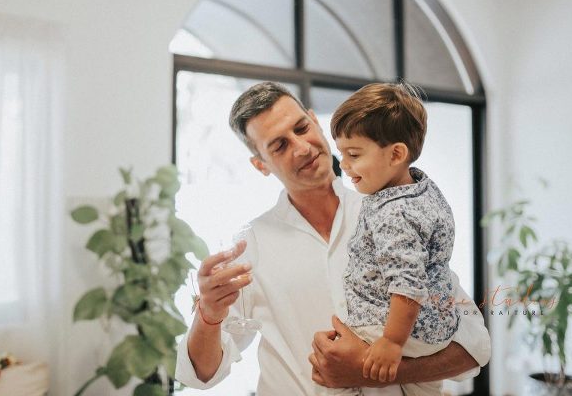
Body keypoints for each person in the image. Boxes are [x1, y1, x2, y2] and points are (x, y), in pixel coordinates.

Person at [175, 82, 490, 395]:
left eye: (301, 128)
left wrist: (370, 372)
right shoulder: (250, 247)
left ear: (315, 120)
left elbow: (474, 347)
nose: (301, 147)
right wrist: (209, 314)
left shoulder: (397, 220)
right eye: (279, 146)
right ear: (261, 165)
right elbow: (203, 373)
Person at [327, 83, 459, 396]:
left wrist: (391, 342)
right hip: (437, 324)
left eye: (354, 154)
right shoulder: (422, 188)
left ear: (396, 153)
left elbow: (407, 285)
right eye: (341, 153)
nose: (344, 165)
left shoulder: (392, 213)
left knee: (335, 373)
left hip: (391, 325)